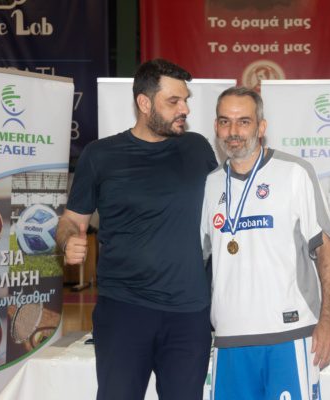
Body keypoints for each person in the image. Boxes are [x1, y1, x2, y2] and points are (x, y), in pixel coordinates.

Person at [56, 59, 218, 400]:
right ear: (144, 103)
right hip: (123, 310)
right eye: (173, 101)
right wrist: (68, 238)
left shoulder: (198, 148)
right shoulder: (100, 155)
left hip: (189, 314)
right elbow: (71, 220)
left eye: (185, 100)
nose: (185, 109)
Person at [200, 87, 330, 399]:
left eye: (244, 121)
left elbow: (325, 247)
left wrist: (329, 320)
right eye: (225, 122)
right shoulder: (209, 184)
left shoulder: (295, 173)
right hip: (230, 338)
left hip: (289, 334)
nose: (233, 132)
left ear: (261, 127)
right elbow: (196, 260)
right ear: (216, 127)